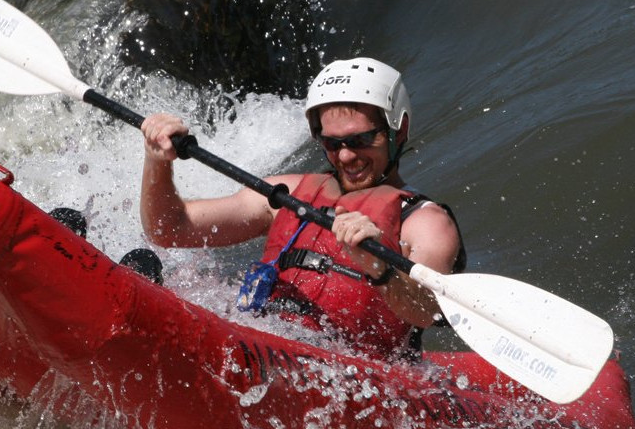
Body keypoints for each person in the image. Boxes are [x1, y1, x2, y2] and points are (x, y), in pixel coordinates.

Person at [138, 58, 465, 361]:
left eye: (360, 140)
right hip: (262, 345)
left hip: (348, 374)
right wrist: (157, 161)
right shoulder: (286, 194)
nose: (346, 156)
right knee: (141, 265)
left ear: (399, 129)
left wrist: (379, 267)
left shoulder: (425, 222)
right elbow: (170, 229)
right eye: (332, 143)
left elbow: (427, 310)